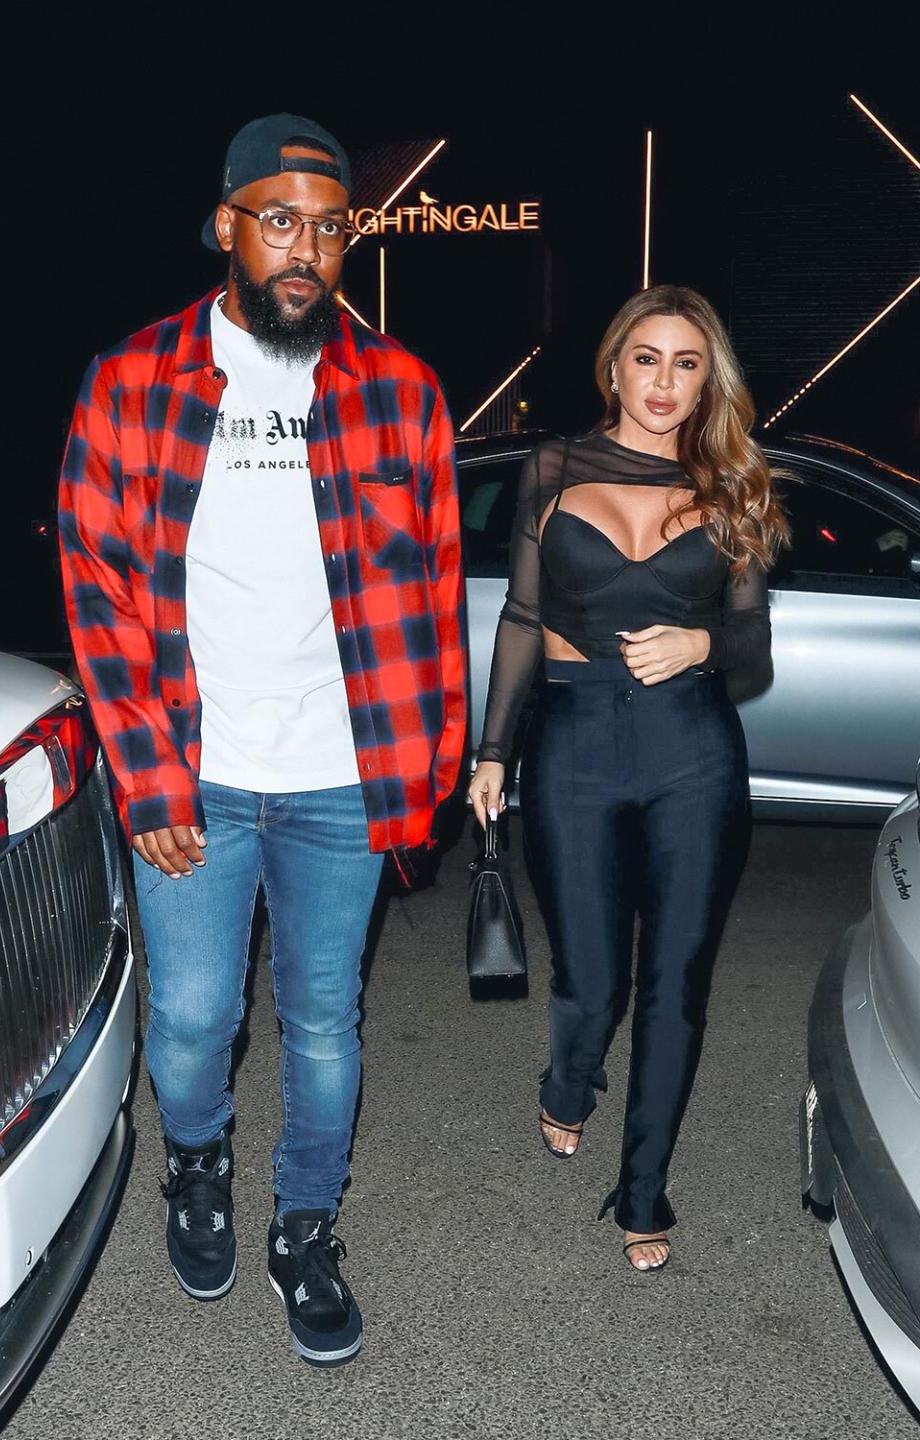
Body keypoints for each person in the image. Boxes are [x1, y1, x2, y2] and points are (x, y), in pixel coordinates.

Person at [59, 114, 466, 1364]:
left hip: (345, 780)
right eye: (281, 220)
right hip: (198, 775)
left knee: (325, 1021)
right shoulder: (134, 382)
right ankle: (196, 1164)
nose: (307, 250)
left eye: (330, 227)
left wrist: (429, 775)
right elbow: (99, 588)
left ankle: (304, 1227)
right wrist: (145, 774)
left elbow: (437, 595)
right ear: (228, 223)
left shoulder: (399, 390)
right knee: (187, 1020)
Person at [469, 285, 788, 1272]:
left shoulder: (733, 482)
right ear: (613, 368)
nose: (664, 381)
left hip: (693, 749)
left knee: (677, 985)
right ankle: (571, 1078)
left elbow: (753, 656)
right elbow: (523, 618)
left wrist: (703, 639)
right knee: (592, 981)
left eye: (686, 363)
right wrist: (493, 750)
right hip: (572, 742)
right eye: (646, 359)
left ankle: (644, 1188)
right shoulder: (552, 466)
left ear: (709, 381)